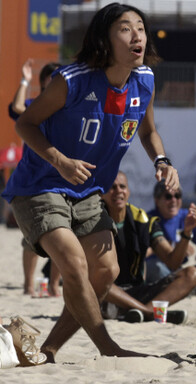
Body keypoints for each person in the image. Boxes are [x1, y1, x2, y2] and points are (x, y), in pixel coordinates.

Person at [1, 3, 179, 362]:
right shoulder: (72, 80)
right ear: (104, 38)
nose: (138, 36)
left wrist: (161, 160)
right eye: (126, 29)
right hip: (41, 185)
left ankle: (47, 348)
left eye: (141, 28)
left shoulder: (144, 80)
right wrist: (61, 161)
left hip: (87, 190)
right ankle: (109, 347)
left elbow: (148, 131)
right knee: (75, 265)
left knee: (107, 270)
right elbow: (24, 124)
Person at [101, 171, 196, 323]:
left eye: (122, 187)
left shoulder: (143, 220)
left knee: (193, 274)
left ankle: (141, 311)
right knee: (95, 281)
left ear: (128, 191)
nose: (118, 191)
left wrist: (187, 233)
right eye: (112, 187)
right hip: (104, 293)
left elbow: (173, 262)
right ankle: (148, 312)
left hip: (137, 292)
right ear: (102, 193)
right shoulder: (94, 220)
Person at [8, 59, 62, 297]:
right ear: (43, 83)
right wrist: (24, 79)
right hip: (34, 179)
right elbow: (16, 107)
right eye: (52, 77)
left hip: (59, 178)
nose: (57, 80)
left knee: (64, 234)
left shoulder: (67, 109)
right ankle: (29, 285)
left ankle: (53, 286)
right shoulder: (34, 105)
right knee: (32, 238)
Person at [146, 180, 196, 283]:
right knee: (155, 267)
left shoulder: (187, 217)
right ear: (157, 200)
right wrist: (165, 247)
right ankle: (181, 285)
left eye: (177, 196)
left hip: (183, 267)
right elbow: (143, 253)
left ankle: (180, 285)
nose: (173, 200)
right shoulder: (148, 219)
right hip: (161, 269)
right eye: (168, 196)